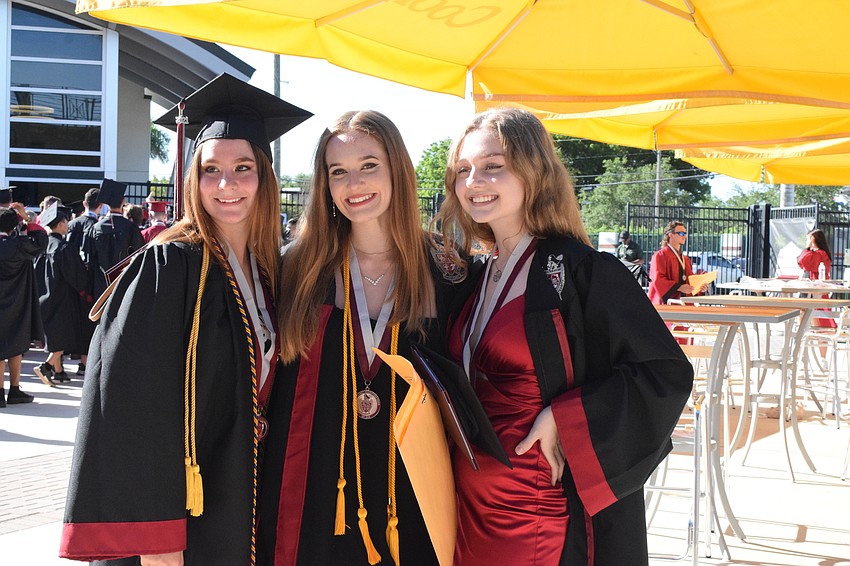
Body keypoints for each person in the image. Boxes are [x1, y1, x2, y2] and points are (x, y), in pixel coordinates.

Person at [60, 73, 312, 565]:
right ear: (192, 179)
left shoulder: (268, 274)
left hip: (241, 495)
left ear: (265, 177)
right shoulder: (169, 267)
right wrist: (158, 546)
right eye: (211, 170)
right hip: (182, 520)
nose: (227, 184)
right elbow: (127, 406)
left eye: (243, 168)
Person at [435, 107, 693, 565]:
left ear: (533, 171)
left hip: (538, 508)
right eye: (464, 170)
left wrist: (564, 417)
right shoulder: (475, 277)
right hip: (469, 505)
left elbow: (664, 374)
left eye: (494, 166)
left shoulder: (581, 272)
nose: (474, 181)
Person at [257, 110, 475, 566]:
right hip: (319, 487)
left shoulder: (448, 271)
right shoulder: (297, 270)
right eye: (339, 172)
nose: (354, 184)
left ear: (397, 167)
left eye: (369, 165)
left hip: (414, 487)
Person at [33, 203, 91, 386]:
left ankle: (58, 372)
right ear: (59, 225)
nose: (67, 225)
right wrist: (85, 291)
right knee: (64, 336)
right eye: (66, 222)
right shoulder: (64, 248)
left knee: (54, 335)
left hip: (43, 296)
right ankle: (47, 366)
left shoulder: (41, 247)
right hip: (63, 298)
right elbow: (76, 274)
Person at [0, 202, 47, 407]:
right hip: (18, 302)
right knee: (15, 345)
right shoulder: (21, 245)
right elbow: (42, 240)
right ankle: (15, 389)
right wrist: (27, 218)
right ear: (13, 227)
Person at [86, 179, 145, 297]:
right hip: (124, 284)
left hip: (100, 285)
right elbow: (139, 257)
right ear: (123, 201)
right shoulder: (131, 228)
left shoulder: (95, 228)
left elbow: (89, 260)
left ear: (106, 203)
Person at [648, 221, 702, 305]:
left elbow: (690, 280)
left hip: (684, 304)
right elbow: (657, 279)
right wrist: (679, 287)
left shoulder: (685, 259)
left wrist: (699, 287)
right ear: (671, 235)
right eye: (681, 233)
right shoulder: (660, 256)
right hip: (667, 305)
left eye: (685, 233)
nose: (684, 236)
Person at [798, 228, 837, 330]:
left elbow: (802, 260)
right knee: (811, 317)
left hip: (814, 290)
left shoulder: (820, 254)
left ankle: (803, 339)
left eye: (808, 239)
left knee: (817, 320)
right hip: (812, 290)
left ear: (813, 239)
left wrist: (807, 247)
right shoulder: (819, 254)